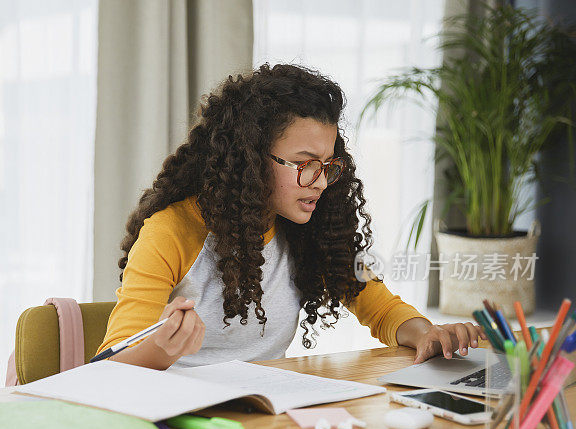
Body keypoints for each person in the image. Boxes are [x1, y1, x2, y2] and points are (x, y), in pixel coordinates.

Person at [95, 63, 486, 371]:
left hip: (265, 420)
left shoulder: (312, 231)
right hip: (180, 421)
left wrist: (427, 334)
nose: (320, 182)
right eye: (304, 164)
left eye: (328, 165)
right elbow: (108, 367)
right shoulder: (170, 232)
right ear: (251, 159)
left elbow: (381, 307)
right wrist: (161, 350)